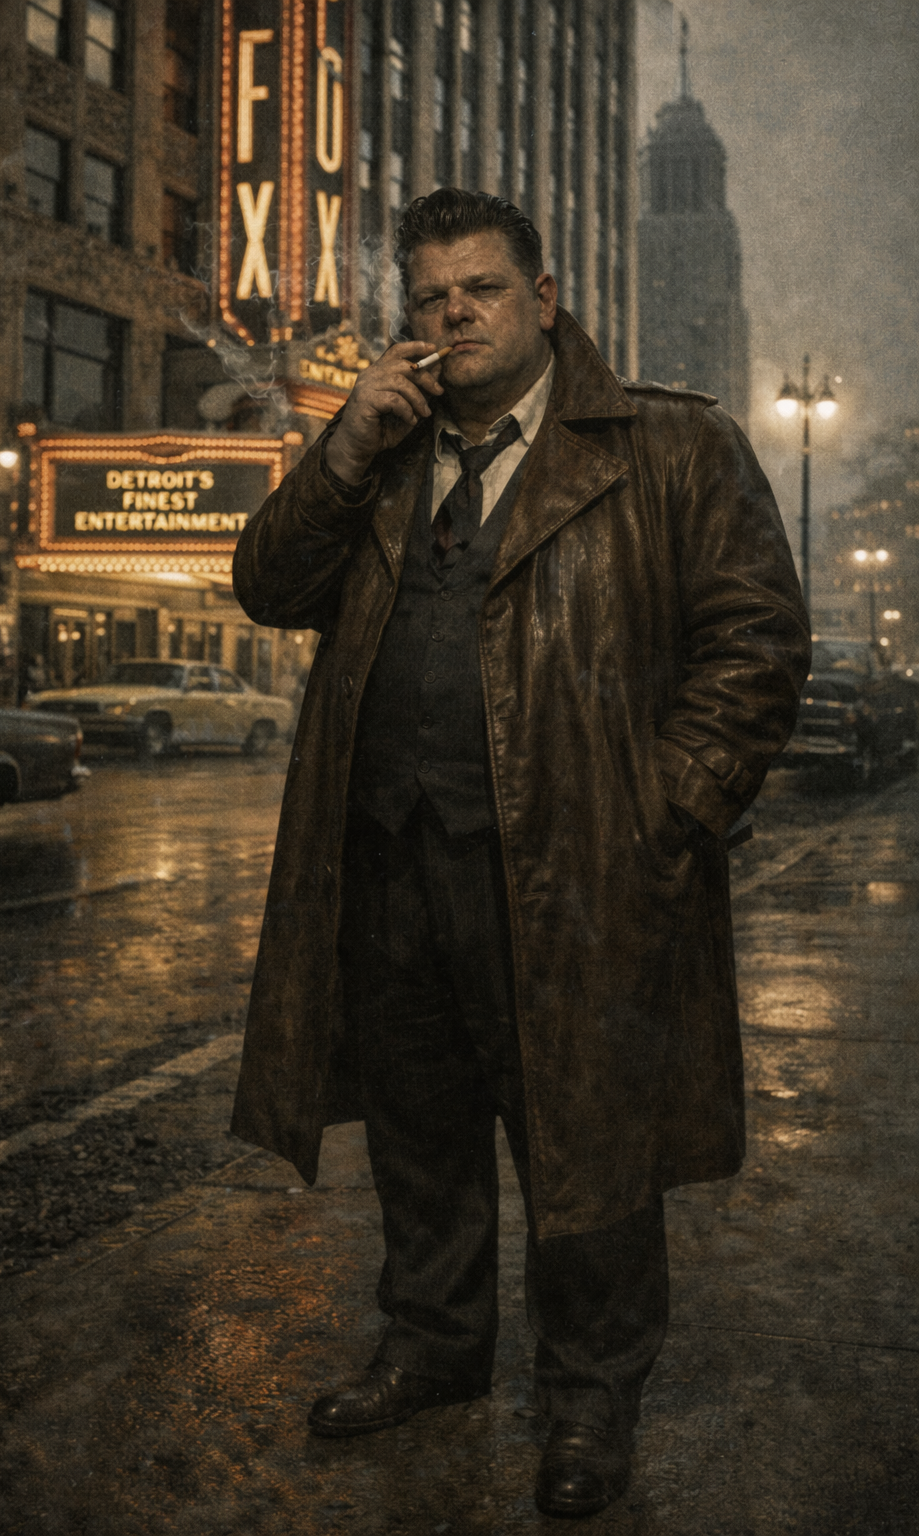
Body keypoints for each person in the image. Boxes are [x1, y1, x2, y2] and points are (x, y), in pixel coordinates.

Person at [230, 189, 809, 1518]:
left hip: (582, 879)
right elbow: (268, 586)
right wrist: (340, 445)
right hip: (390, 864)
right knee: (418, 1131)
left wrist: (664, 816)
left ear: (543, 300)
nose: (455, 317)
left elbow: (759, 644)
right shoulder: (383, 454)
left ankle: (589, 1395)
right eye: (431, 299)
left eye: (481, 290)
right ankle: (433, 1347)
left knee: (585, 1145)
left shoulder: (668, 445)